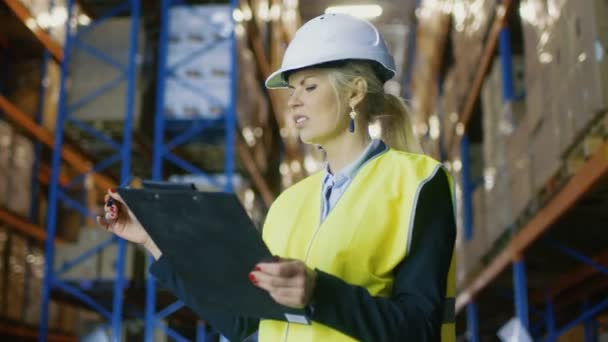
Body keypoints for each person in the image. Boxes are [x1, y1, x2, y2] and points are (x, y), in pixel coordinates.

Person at [98, 13, 456, 342]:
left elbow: (421, 327)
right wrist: (152, 240)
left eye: (309, 86)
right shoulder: (288, 204)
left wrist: (318, 293)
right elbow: (242, 323)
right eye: (292, 89)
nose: (293, 101)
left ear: (356, 92)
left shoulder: (418, 183)